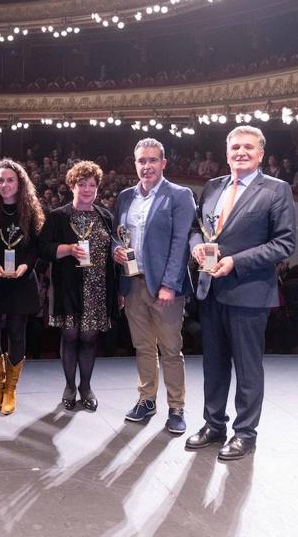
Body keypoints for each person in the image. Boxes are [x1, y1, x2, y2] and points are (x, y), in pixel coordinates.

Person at [187, 125, 296, 461]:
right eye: (235, 148)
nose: (241, 153)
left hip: (248, 291)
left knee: (247, 368)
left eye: (249, 148)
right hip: (210, 288)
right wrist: (195, 248)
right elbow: (195, 229)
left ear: (261, 154)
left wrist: (235, 261)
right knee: (214, 364)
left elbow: (284, 244)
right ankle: (213, 424)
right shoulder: (212, 186)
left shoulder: (277, 190)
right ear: (226, 152)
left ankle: (245, 433)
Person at [113, 138, 196, 433]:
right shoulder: (124, 196)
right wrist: (115, 251)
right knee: (143, 347)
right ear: (135, 164)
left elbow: (181, 243)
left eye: (152, 160)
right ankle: (147, 400)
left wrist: (169, 285)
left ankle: (176, 406)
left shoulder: (180, 195)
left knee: (171, 349)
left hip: (165, 288)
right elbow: (117, 235)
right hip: (133, 284)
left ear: (163, 163)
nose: (146, 166)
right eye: (141, 161)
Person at [39, 161, 117, 412]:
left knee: (89, 338)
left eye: (92, 185)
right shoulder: (58, 216)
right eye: (82, 184)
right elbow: (43, 249)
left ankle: (86, 387)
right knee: (70, 336)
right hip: (68, 287)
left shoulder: (105, 216)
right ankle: (70, 386)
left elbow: (112, 249)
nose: (87, 189)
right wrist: (67, 249)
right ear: (72, 186)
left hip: (98, 288)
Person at [0, 159, 44, 415]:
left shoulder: (31, 211)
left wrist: (26, 267)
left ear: (20, 183)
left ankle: (11, 390)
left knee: (16, 335)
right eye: (0, 180)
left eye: (10, 180)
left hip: (21, 282)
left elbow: (37, 247)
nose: (4, 184)